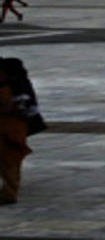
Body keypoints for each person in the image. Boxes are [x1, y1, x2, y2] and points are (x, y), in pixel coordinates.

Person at [0, 57, 36, 205]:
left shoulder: (7, 79)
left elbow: (6, 103)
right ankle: (9, 191)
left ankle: (9, 192)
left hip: (8, 124)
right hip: (12, 124)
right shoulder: (15, 77)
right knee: (10, 160)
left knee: (9, 160)